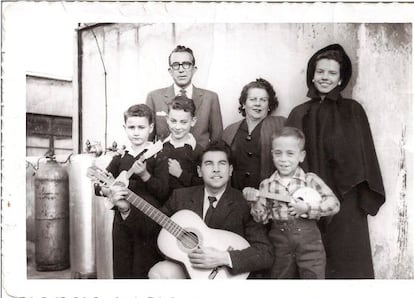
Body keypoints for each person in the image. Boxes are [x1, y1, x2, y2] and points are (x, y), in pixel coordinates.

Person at [286, 44, 386, 278]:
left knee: (348, 266)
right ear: (313, 74)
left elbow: (366, 155)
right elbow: (287, 159)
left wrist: (364, 199)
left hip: (347, 202)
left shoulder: (353, 110)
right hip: (306, 199)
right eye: (320, 72)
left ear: (341, 80)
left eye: (332, 73)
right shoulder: (299, 113)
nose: (325, 77)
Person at [148, 141, 274, 279]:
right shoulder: (180, 197)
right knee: (159, 272)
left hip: (224, 276)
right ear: (199, 171)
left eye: (222, 163)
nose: (216, 169)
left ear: (231, 170)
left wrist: (225, 258)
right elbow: (151, 229)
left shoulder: (244, 203)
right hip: (187, 268)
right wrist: (125, 210)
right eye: (209, 164)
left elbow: (265, 253)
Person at [243, 127, 340, 279]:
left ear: (301, 156)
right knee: (280, 279)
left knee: (313, 279)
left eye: (290, 153)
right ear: (272, 155)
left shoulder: (310, 180)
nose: (283, 159)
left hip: (310, 244)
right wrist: (254, 203)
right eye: (278, 153)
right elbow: (261, 219)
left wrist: (308, 209)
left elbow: (334, 204)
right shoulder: (266, 185)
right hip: (280, 244)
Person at [96, 104, 169, 278]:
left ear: (151, 128)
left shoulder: (157, 155)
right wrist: (109, 191)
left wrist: (144, 174)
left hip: (148, 222)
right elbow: (98, 185)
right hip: (122, 222)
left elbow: (164, 191)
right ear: (125, 128)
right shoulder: (120, 157)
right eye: (131, 127)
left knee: (143, 269)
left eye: (141, 127)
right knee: (122, 267)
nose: (136, 132)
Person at [146, 45, 223, 148]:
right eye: (176, 65)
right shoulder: (154, 97)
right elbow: (147, 141)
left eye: (186, 64)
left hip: (199, 161)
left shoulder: (210, 98)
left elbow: (217, 141)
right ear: (170, 71)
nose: (181, 70)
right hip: (165, 161)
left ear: (194, 69)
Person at [222, 78, 285, 191]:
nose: (257, 104)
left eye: (263, 100)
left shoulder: (280, 125)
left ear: (269, 105)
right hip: (236, 195)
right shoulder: (229, 131)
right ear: (243, 103)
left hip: (268, 195)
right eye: (252, 99)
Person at [162, 95, 204, 192]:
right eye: (173, 121)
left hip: (186, 204)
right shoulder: (160, 148)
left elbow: (203, 184)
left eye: (183, 122)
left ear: (193, 121)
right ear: (167, 119)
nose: (177, 127)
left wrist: (180, 174)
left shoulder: (199, 151)